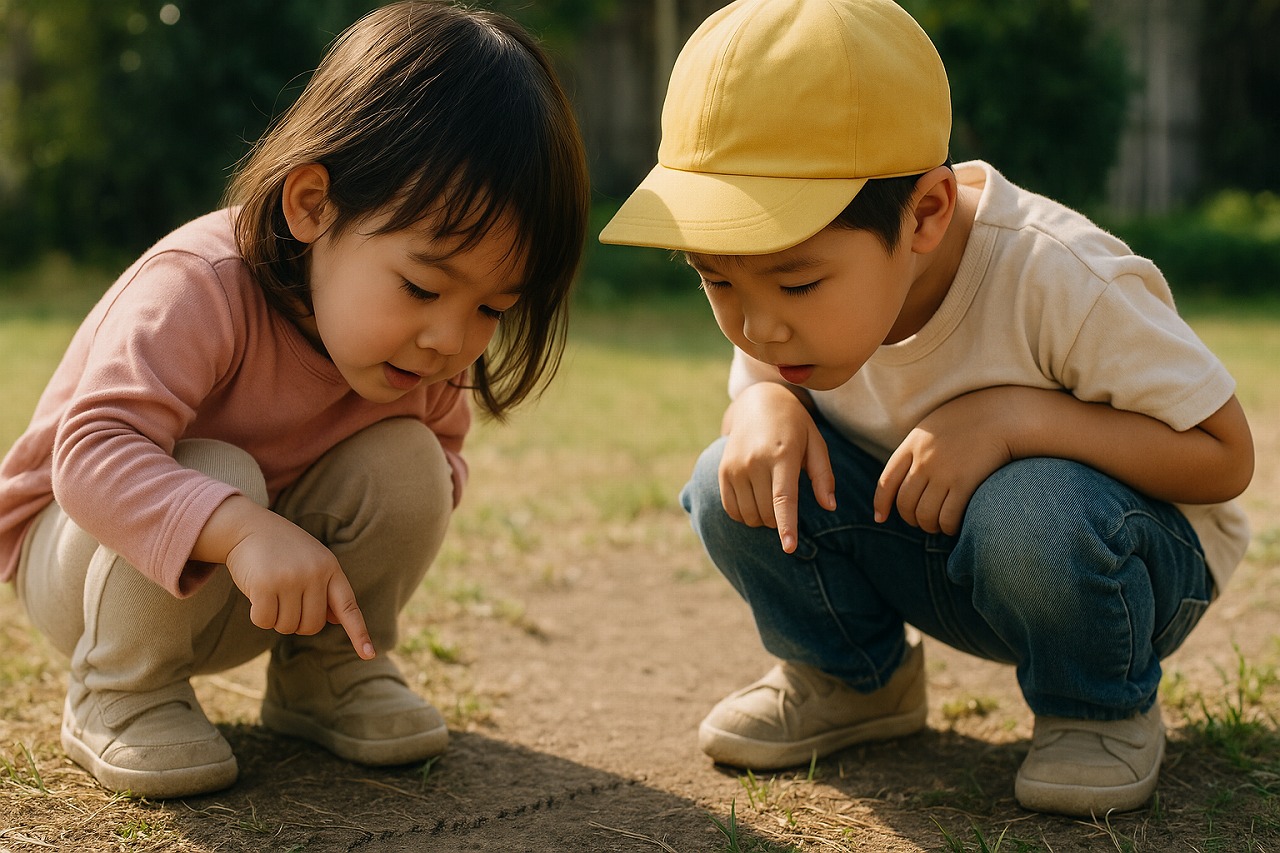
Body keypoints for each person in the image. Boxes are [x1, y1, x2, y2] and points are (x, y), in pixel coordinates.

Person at [599, 0, 1253, 818]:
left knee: (1032, 505)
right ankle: (853, 679)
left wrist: (1015, 421)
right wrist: (764, 402)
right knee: (728, 476)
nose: (758, 323)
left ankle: (1097, 705)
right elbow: (761, 379)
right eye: (716, 279)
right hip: (936, 545)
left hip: (1120, 569)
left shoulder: (1059, 277)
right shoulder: (785, 313)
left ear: (926, 214)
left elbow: (1225, 455)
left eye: (798, 282)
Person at [0, 0, 588, 799]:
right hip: (84, 561)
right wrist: (241, 525)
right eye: (422, 284)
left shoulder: (426, 354)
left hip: (258, 589)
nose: (450, 338)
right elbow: (93, 455)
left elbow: (437, 464)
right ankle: (121, 691)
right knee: (220, 469)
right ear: (312, 204)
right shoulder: (200, 286)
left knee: (410, 461)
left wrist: (377, 522)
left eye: (491, 308)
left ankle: (328, 671)